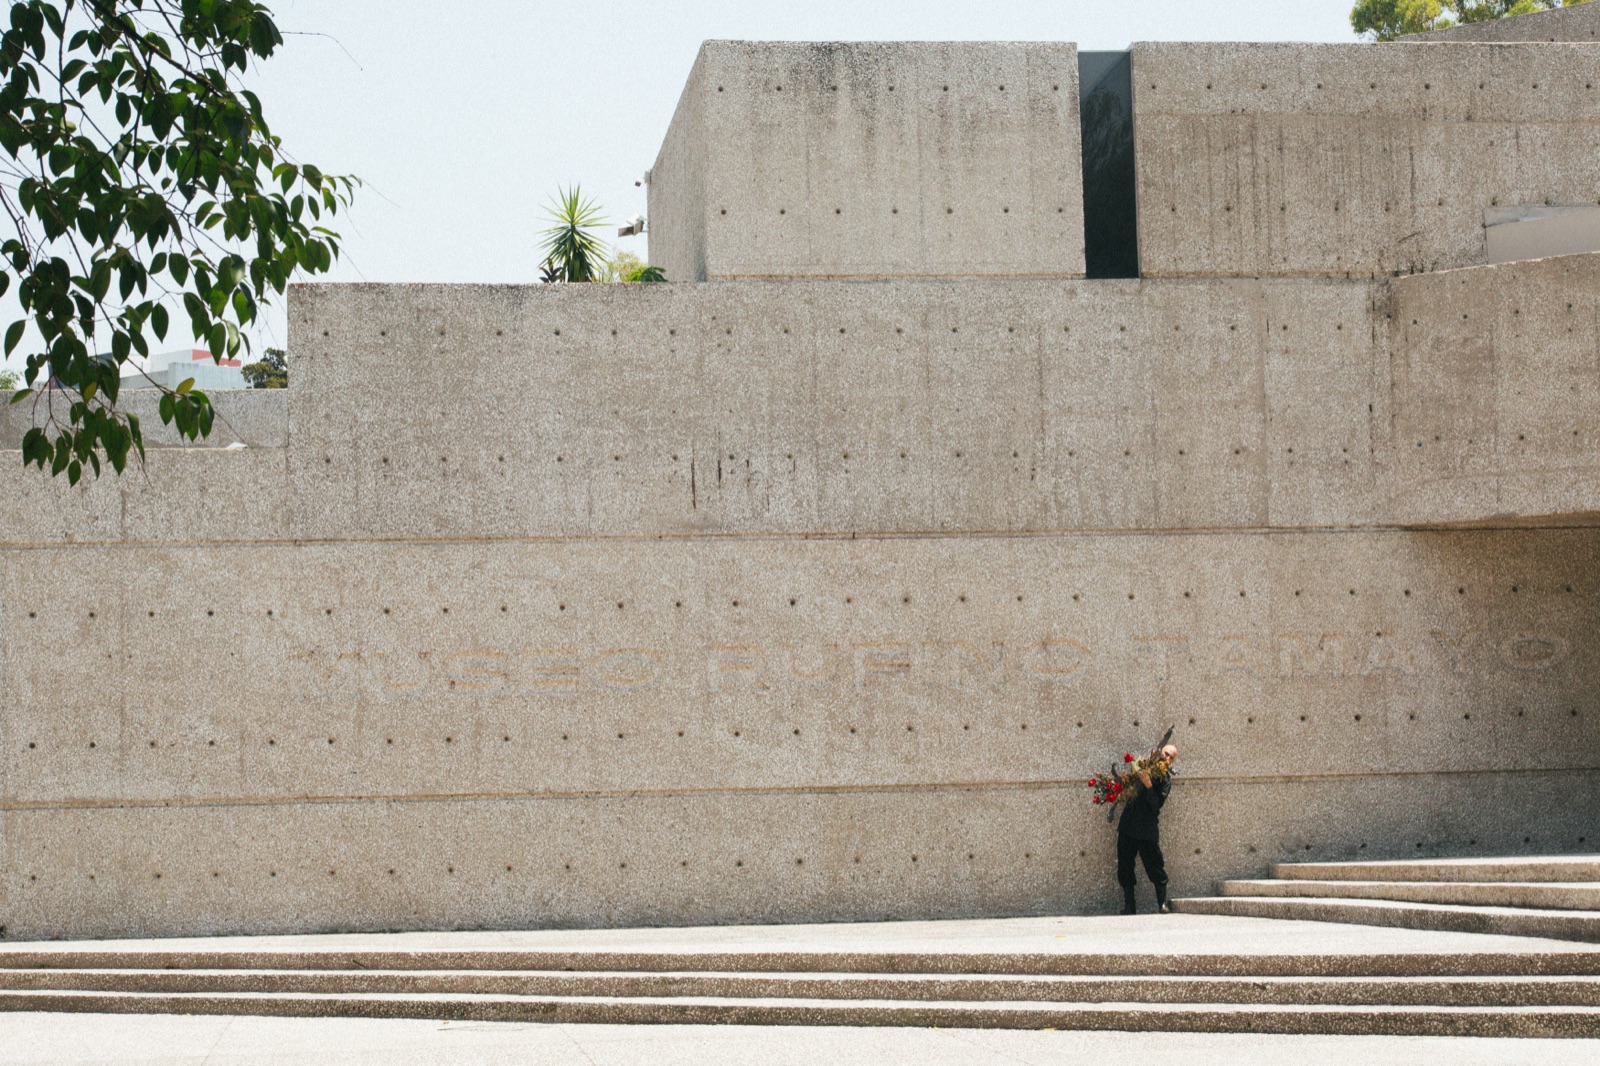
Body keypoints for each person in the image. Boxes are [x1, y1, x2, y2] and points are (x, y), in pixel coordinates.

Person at [1117, 744, 1177, 914]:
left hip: (1146, 829)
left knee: (1155, 866)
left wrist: (1149, 786)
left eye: (1171, 757)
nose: (1167, 758)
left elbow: (1156, 806)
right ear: (1158, 753)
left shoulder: (1164, 780)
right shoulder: (1143, 767)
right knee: (1125, 867)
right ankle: (1130, 906)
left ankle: (1162, 903)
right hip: (1128, 825)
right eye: (1166, 754)